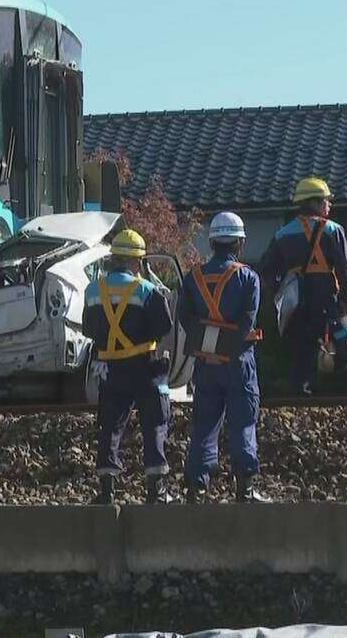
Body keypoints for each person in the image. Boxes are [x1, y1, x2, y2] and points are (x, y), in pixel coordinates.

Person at [82, 229, 175, 505]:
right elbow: (164, 328)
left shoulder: (92, 290)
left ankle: (107, 491)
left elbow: (88, 329)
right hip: (145, 366)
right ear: (137, 262)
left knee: (110, 426)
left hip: (110, 368)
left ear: (113, 259)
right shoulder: (148, 291)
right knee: (155, 423)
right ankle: (156, 491)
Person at [180, 212, 268, 503]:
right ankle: (245, 487)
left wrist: (210, 343)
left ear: (212, 241)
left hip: (206, 363)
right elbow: (247, 322)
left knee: (205, 422)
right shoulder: (248, 278)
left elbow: (185, 319)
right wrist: (228, 344)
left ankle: (198, 486)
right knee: (243, 421)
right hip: (239, 362)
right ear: (240, 243)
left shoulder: (193, 278)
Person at [257, 177, 347, 396]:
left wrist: (283, 290)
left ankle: (300, 403)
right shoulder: (334, 230)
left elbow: (266, 272)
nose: (330, 205)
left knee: (301, 357)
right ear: (316, 202)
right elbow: (346, 271)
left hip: (298, 304)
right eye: (327, 200)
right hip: (329, 300)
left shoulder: (282, 234)